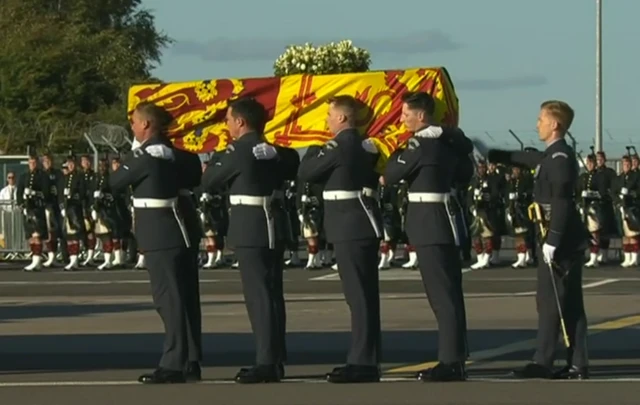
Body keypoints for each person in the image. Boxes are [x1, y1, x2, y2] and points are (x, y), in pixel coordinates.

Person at [484, 100, 588, 379]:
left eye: (542, 119)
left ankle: (544, 361)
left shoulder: (561, 159)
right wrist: (491, 153)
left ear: (555, 124)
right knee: (565, 302)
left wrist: (553, 241)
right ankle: (577, 363)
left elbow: (562, 203)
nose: (537, 124)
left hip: (562, 240)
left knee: (553, 300)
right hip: (556, 237)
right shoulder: (552, 156)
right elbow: (527, 159)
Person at [382, 91, 472, 382]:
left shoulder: (421, 143)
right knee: (449, 294)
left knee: (442, 296)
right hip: (442, 220)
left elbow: (392, 173)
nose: (402, 118)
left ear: (422, 115)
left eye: (406, 114)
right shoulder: (448, 142)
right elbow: (465, 171)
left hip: (431, 222)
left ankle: (450, 361)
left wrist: (395, 155)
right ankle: (456, 356)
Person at [297, 95, 382, 383]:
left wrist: (312, 146)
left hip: (350, 225)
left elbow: (306, 172)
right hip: (355, 223)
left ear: (343, 118)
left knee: (358, 297)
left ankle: (363, 362)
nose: (326, 121)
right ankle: (365, 358)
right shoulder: (362, 145)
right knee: (362, 296)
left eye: (329, 116)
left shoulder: (339, 145)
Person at [201, 97, 284, 384]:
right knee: (272, 295)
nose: (226, 125)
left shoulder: (238, 150)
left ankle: (265, 362)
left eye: (228, 120)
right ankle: (275, 358)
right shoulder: (271, 150)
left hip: (250, 225)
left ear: (240, 121)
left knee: (258, 296)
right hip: (272, 222)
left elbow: (210, 180)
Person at [110, 102, 191, 384]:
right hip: (174, 230)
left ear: (146, 125)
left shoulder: (145, 156)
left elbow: (115, 182)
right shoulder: (172, 154)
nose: (132, 126)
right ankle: (188, 359)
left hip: (159, 233)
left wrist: (129, 158)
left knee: (167, 300)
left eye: (134, 122)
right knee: (180, 299)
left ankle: (173, 363)